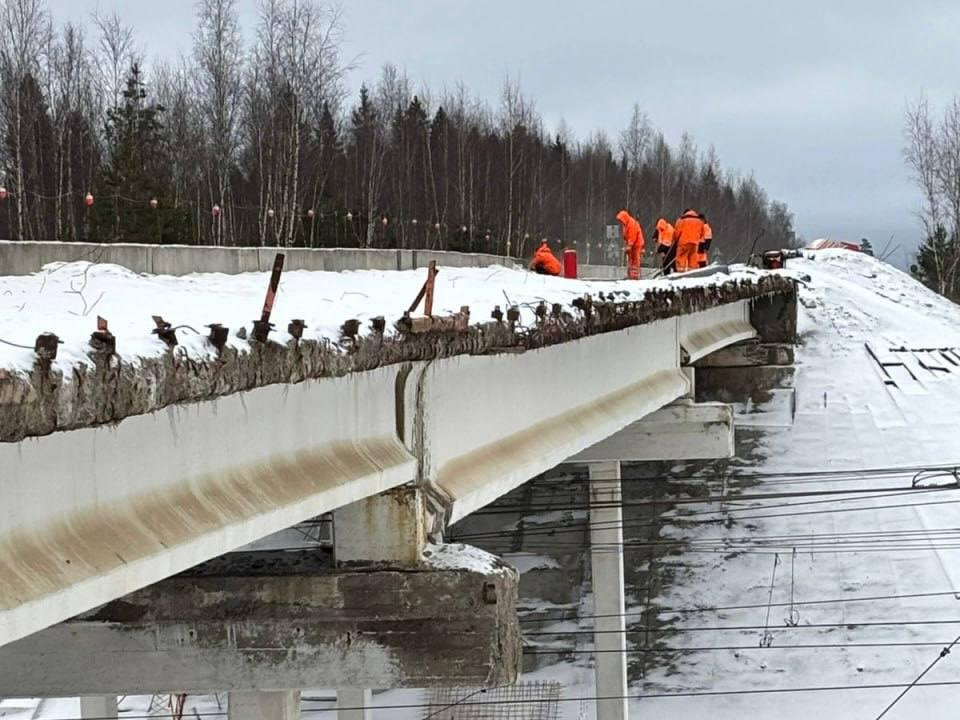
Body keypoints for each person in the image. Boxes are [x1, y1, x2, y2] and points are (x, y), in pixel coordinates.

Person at [672, 208, 705, 273]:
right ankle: (692, 274)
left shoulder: (682, 220)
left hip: (683, 243)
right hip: (694, 243)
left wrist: (675, 239)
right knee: (692, 260)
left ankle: (680, 273)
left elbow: (676, 232)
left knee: (681, 258)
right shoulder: (699, 221)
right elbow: (702, 233)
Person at [615, 210, 644, 279]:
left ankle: (634, 276)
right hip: (632, 245)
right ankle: (631, 275)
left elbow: (632, 236)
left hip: (636, 245)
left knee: (635, 260)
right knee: (631, 260)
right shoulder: (626, 224)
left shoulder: (631, 223)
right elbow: (626, 236)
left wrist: (629, 245)